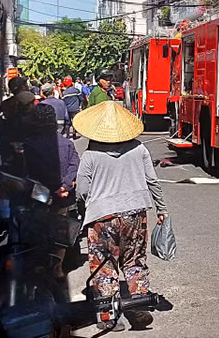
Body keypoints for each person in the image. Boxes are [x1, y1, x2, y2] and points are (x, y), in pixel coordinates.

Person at [72, 101, 167, 331]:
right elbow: (152, 180)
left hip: (102, 218)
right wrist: (162, 209)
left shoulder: (91, 154)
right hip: (135, 214)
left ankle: (108, 316)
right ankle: (139, 304)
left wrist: (82, 210)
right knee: (134, 260)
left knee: (104, 265)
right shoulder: (139, 148)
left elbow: (82, 191)